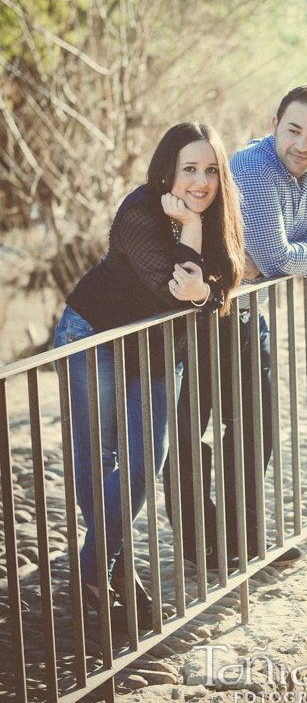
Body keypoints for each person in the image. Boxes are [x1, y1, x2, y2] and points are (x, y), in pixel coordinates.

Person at [53, 121, 244, 628]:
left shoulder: (214, 216)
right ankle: (113, 576)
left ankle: (94, 569)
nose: (200, 182)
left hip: (157, 352)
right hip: (95, 337)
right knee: (100, 460)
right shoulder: (138, 214)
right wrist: (197, 277)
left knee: (144, 464)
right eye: (189, 170)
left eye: (210, 170)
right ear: (167, 171)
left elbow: (219, 286)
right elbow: (173, 288)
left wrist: (200, 249)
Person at [164, 85, 307, 566]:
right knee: (186, 436)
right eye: (293, 130)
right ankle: (203, 545)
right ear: (273, 124)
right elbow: (279, 254)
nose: (303, 145)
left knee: (254, 430)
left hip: (243, 313)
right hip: (193, 320)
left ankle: (244, 538)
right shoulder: (255, 170)